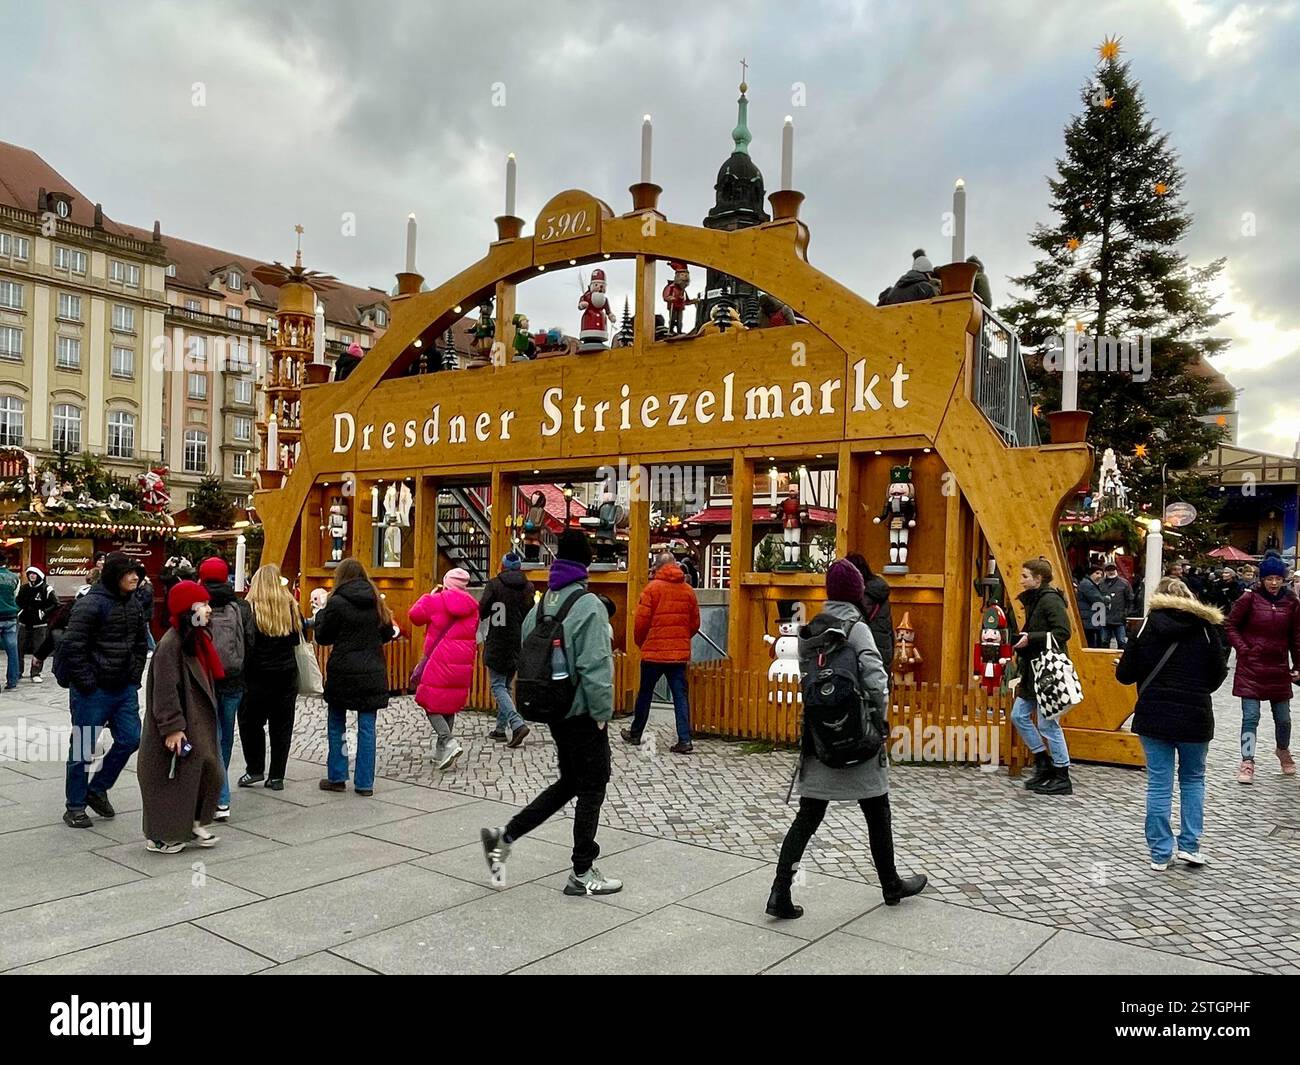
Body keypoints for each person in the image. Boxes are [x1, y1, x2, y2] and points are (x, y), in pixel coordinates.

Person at [766, 560, 927, 919]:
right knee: (877, 809)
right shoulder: (857, 627)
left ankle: (780, 891)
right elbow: (875, 677)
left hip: (820, 737)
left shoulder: (812, 629)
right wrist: (879, 721)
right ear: (857, 593)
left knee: (808, 816)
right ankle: (890, 884)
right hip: (857, 734)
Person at [480, 530, 621, 896]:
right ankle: (582, 870)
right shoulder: (587, 605)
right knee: (594, 784)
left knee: (570, 783)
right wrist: (603, 713)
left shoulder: (544, 603)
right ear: (586, 564)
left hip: (554, 708)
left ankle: (505, 836)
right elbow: (596, 666)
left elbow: (529, 648)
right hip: (582, 713)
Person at [1116, 578, 1228, 870]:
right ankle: (1190, 846)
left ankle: (1160, 852)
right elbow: (1217, 676)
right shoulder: (1206, 628)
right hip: (1195, 717)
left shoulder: (1145, 626)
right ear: (1190, 597)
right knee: (1193, 780)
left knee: (1159, 784)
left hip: (1154, 716)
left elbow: (1125, 675)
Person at [56, 552, 148, 828]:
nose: (135, 578)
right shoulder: (91, 604)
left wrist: (134, 675)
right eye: (129, 573)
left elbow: (141, 643)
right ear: (114, 575)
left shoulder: (133, 603)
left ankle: (98, 787)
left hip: (123, 688)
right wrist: (86, 681)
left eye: (137, 573)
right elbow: (73, 645)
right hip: (92, 691)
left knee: (131, 739)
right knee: (83, 748)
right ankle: (75, 805)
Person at [137, 580, 225, 853]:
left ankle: (193, 823)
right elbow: (164, 690)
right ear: (189, 610)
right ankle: (163, 834)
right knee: (171, 780)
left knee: (206, 771)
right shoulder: (171, 644)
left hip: (196, 721)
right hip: (180, 724)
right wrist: (172, 727)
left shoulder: (197, 639)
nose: (209, 609)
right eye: (203, 604)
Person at [313, 558, 397, 796]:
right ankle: (364, 782)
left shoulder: (337, 602)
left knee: (337, 722)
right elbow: (388, 632)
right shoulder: (375, 601)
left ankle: (338, 776)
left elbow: (323, 637)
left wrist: (320, 614)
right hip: (372, 671)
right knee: (367, 727)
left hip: (343, 670)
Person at [1224, 552, 1300, 783]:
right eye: (1269, 579)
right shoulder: (1249, 599)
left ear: (1284, 579)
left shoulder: (1292, 602)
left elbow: (1296, 635)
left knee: (1284, 718)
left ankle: (1282, 749)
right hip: (1251, 668)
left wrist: (1298, 664)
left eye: (1278, 578)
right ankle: (1247, 760)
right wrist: (1244, 649)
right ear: (1262, 579)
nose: (1274, 583)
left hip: (1278, 668)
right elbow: (1230, 625)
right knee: (1251, 717)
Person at [238, 564, 305, 808]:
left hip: (255, 676)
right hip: (285, 675)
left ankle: (254, 767)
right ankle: (277, 775)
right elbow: (296, 639)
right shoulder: (290, 606)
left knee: (249, 723)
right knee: (282, 726)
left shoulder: (249, 609)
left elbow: (246, 643)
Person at [623, 551, 700, 754]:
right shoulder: (688, 591)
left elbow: (640, 623)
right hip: (678, 654)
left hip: (653, 653)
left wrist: (642, 642)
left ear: (657, 567)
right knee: (680, 696)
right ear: (675, 566)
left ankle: (636, 733)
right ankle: (685, 739)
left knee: (645, 694)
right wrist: (681, 640)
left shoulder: (651, 589)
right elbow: (695, 624)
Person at [1009, 558, 1074, 795]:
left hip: (1048, 672)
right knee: (1019, 715)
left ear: (1039, 578)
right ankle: (1043, 763)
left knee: (1048, 723)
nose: (1021, 580)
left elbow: (1063, 632)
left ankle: (1062, 774)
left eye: (1025, 576)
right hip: (1033, 670)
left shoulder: (1049, 600)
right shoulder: (1036, 600)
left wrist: (1032, 638)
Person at [198, 557, 255, 816]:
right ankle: (220, 790)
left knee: (210, 735)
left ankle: (218, 797)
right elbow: (251, 642)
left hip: (205, 679)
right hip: (233, 679)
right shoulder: (240, 606)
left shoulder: (197, 603)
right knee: (225, 736)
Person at [409, 567, 478, 770]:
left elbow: (415, 616)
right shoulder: (473, 607)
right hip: (462, 661)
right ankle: (442, 753)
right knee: (448, 703)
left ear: (446, 582)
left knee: (428, 701)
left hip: (438, 659)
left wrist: (427, 597)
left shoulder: (436, 600)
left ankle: (448, 740)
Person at [477, 552, 534, 747]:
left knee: (497, 685)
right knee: (506, 684)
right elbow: (530, 612)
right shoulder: (528, 587)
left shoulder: (495, 584)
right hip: (517, 641)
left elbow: (482, 609)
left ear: (502, 566)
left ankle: (517, 724)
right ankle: (500, 729)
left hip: (498, 640)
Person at [846, 551, 893, 668]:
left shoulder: (863, 595)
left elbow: (853, 621)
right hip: (882, 650)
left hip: (866, 652)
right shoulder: (879, 590)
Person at [16, 565, 59, 683]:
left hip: (40, 625)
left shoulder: (47, 589)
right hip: (24, 623)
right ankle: (18, 672)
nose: (32, 576)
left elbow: (55, 604)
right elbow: (18, 601)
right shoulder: (24, 588)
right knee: (19, 649)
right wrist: (20, 611)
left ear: (39, 576)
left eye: (34, 574)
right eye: (30, 574)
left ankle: (35, 672)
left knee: (38, 650)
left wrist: (43, 612)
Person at [1099, 561, 1134, 649]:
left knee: (1122, 642)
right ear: (1105, 571)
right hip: (1104, 619)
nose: (1111, 571)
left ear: (1116, 570)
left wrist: (1126, 613)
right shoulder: (1100, 583)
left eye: (1113, 569)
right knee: (1104, 642)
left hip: (1119, 619)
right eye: (1108, 569)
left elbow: (1130, 600)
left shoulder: (1124, 583)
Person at [1075, 563, 1107, 649]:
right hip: (1089, 620)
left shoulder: (1090, 584)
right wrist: (1107, 599)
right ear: (1090, 574)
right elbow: (1097, 600)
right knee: (1091, 645)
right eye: (1097, 573)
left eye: (1101, 574)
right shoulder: (1088, 585)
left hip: (1090, 619)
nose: (1099, 576)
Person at [0, 556, 18, 691]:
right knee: (12, 651)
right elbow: (15, 596)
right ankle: (12, 680)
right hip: (11, 616)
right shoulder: (14, 577)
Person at [133, 565, 157, 653]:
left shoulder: (147, 588)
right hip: (144, 613)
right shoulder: (141, 588)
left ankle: (152, 647)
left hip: (145, 614)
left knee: (146, 631)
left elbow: (144, 601)